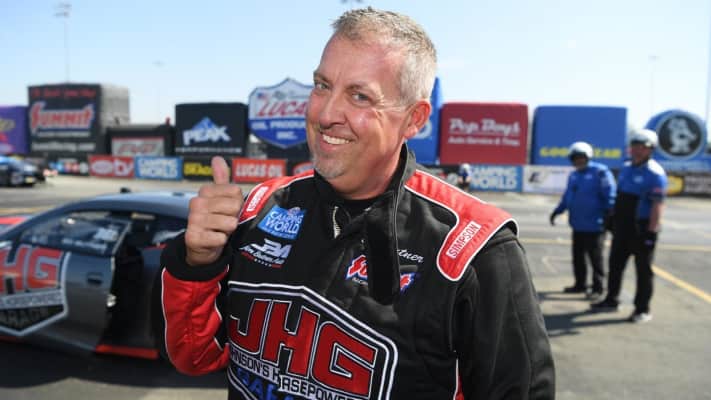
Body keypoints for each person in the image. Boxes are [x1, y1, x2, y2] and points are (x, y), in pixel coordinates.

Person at [157, 7, 554, 399]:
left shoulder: (473, 248)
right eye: (322, 85)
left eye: (360, 96)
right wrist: (196, 263)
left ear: (414, 119)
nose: (326, 113)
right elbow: (193, 357)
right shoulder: (258, 209)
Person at [591, 128, 667, 323]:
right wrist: (612, 218)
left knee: (643, 271)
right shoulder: (626, 168)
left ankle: (642, 309)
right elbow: (620, 197)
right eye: (635, 146)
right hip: (622, 227)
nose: (638, 150)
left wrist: (651, 232)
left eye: (643, 147)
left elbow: (658, 205)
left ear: (651, 149)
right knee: (615, 265)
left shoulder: (655, 173)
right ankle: (612, 300)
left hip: (642, 228)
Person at [550, 141, 616, 298]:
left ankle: (598, 288)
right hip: (577, 224)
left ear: (588, 157)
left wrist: (609, 216)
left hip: (596, 225)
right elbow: (567, 197)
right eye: (575, 158)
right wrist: (557, 211)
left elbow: (610, 195)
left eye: (581, 157)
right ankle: (580, 284)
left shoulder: (600, 172)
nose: (578, 160)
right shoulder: (574, 175)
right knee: (578, 258)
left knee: (595, 258)